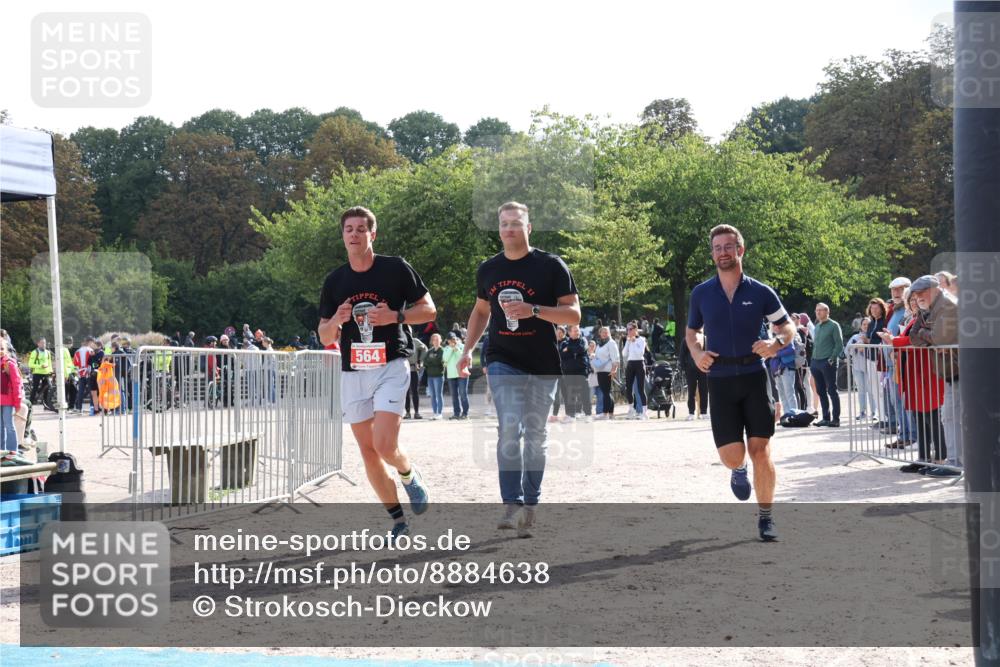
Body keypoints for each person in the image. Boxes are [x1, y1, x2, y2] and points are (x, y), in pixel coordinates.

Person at [458, 201, 580, 535]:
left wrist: (535, 310)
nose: (509, 228)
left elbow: (573, 315)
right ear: (498, 229)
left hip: (542, 362)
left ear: (529, 227)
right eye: (504, 224)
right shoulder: (489, 269)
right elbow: (481, 311)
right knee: (510, 427)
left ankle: (531, 503)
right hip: (502, 358)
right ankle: (510, 502)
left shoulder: (551, 266)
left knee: (536, 436)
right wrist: (468, 350)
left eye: (516, 223)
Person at [317, 205, 434, 541]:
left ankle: (408, 474)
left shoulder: (395, 269)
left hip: (390, 366)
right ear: (343, 236)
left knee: (384, 445)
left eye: (360, 229)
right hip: (353, 371)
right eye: (348, 229)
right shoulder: (335, 280)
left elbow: (428, 310)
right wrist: (337, 320)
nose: (353, 234)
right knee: (367, 451)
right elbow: (324, 336)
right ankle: (398, 520)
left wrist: (395, 317)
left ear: (372, 234)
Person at [686, 224, 796, 542]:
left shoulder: (760, 292)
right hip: (719, 379)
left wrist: (775, 343)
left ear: (740, 250)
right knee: (733, 455)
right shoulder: (701, 293)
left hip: (753, 376)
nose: (723, 252)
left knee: (760, 450)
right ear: (713, 254)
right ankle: (737, 469)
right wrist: (696, 353)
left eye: (728, 246)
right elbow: (691, 333)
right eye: (717, 248)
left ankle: (766, 518)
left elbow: (787, 326)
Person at [899, 274, 961, 476]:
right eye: (916, 294)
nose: (918, 297)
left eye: (921, 292)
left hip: (959, 369)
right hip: (949, 370)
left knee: (955, 418)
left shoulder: (947, 306)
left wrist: (928, 335)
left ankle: (956, 463)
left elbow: (939, 338)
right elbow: (913, 338)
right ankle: (953, 461)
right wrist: (929, 336)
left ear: (934, 289)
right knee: (949, 417)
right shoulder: (930, 310)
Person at [809, 303, 845, 427]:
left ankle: (835, 419)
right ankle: (825, 417)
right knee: (820, 391)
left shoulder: (834, 325)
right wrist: (812, 361)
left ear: (827, 311)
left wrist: (831, 359)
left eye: (820, 310)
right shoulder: (817, 326)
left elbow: (839, 344)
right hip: (816, 362)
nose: (818, 312)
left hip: (827, 362)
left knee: (832, 390)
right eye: (816, 310)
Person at [559, 324, 591, 422]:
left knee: (584, 393)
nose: (577, 332)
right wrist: (573, 350)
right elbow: (561, 354)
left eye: (578, 330)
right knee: (569, 394)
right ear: (569, 332)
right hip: (568, 372)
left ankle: (588, 415)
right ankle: (570, 415)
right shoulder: (564, 343)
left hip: (581, 371)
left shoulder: (583, 340)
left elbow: (581, 349)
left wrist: (569, 349)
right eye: (575, 330)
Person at [847, 317, 873, 421]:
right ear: (861, 326)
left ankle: (874, 412)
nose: (866, 326)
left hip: (870, 367)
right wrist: (856, 347)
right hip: (858, 367)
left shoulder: (873, 336)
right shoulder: (855, 337)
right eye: (864, 324)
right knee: (861, 389)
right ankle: (863, 411)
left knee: (871, 390)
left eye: (868, 324)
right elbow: (847, 350)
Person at [678, 332, 709, 420]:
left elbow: (708, 352)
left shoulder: (705, 339)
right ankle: (691, 412)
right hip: (690, 369)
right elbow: (682, 354)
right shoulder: (687, 339)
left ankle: (704, 412)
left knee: (704, 390)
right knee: (691, 391)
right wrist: (684, 368)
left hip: (703, 368)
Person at [591, 326, 620, 420]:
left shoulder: (611, 343)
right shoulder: (600, 344)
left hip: (607, 370)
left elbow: (615, 357)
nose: (604, 333)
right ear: (600, 333)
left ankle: (605, 413)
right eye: (603, 332)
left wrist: (614, 369)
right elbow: (599, 356)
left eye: (606, 332)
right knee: (606, 392)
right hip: (600, 370)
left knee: (606, 392)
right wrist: (593, 356)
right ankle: (610, 413)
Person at [622, 323, 649, 419]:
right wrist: (628, 342)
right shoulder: (628, 340)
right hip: (630, 364)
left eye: (630, 329)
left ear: (635, 329)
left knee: (640, 388)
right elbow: (624, 354)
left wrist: (634, 342)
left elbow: (640, 353)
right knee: (628, 388)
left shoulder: (641, 340)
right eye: (627, 329)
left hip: (639, 364)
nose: (628, 331)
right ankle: (631, 410)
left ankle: (644, 412)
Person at [1, 337, 22, 452]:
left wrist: (17, 402)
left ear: (6, 349)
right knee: (0, 428)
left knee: (9, 426)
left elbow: (17, 383)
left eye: (1, 348)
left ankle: (12, 451)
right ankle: (1, 452)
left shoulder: (10, 364)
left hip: (7, 401)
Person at [442, 334, 469, 419]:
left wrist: (456, 349)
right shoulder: (446, 348)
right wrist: (451, 349)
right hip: (451, 375)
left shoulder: (463, 346)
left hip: (462, 373)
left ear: (456, 339)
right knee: (454, 395)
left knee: (463, 393)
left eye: (453, 339)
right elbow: (445, 359)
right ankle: (456, 413)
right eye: (449, 340)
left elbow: (463, 357)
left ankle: (465, 413)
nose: (451, 341)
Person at [404, 331, 427, 420]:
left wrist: (420, 361)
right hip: (404, 370)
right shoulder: (402, 341)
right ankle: (407, 412)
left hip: (413, 369)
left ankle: (417, 412)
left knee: (415, 391)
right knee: (405, 392)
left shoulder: (415, 341)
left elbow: (425, 348)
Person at [27, 337, 54, 409]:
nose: (43, 344)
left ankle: (46, 404)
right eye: (42, 343)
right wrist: (40, 366)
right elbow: (30, 364)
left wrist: (51, 371)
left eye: (44, 343)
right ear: (38, 344)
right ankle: (30, 404)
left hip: (46, 373)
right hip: (37, 372)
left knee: (47, 388)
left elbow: (49, 363)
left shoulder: (48, 352)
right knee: (35, 388)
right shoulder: (34, 352)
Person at [548, 326, 568, 422]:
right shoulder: (554, 342)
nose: (558, 334)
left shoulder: (567, 342)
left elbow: (563, 355)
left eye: (560, 332)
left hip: (565, 372)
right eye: (557, 332)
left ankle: (569, 414)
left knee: (565, 393)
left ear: (564, 333)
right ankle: (555, 414)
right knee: (556, 394)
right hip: (556, 372)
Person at [424, 333, 445, 420]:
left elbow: (439, 362)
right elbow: (425, 362)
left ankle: (439, 413)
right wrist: (432, 361)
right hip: (430, 376)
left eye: (437, 339)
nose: (436, 341)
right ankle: (435, 412)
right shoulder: (429, 351)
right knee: (432, 395)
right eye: (434, 340)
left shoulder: (442, 351)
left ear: (440, 340)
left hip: (438, 376)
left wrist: (431, 361)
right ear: (432, 341)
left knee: (438, 395)